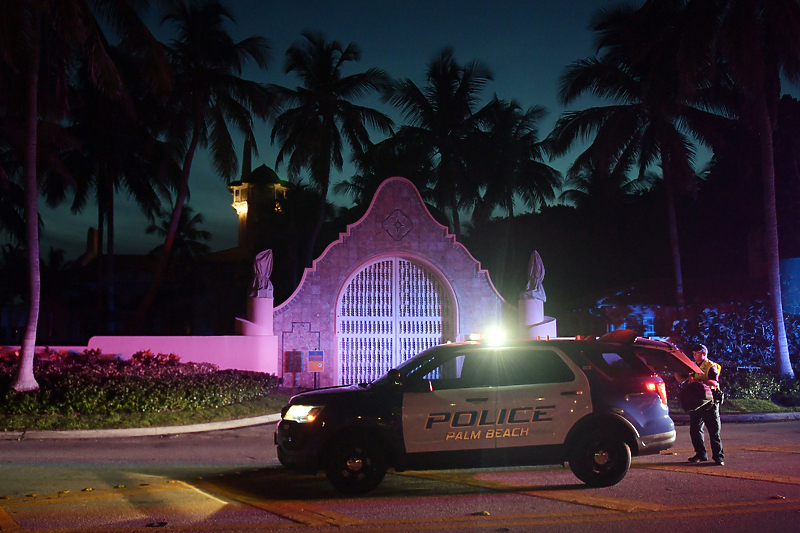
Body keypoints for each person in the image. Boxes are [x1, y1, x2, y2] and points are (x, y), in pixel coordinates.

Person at [676, 344, 725, 466]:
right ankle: (700, 454)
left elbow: (714, 382)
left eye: (697, 353)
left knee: (714, 430)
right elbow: (682, 380)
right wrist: (675, 370)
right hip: (697, 402)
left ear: (704, 354)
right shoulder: (693, 366)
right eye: (694, 353)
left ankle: (718, 457)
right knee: (695, 429)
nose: (694, 355)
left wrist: (699, 381)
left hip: (710, 402)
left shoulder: (710, 366)